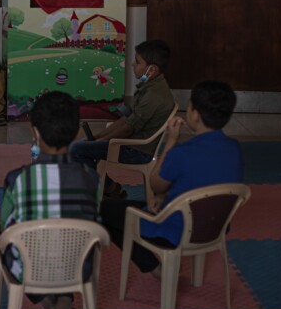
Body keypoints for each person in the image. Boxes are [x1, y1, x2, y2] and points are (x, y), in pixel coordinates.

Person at [100, 80, 244, 276]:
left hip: (176, 228)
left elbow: (155, 184)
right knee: (139, 205)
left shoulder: (183, 152)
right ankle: (155, 267)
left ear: (195, 114)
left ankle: (153, 266)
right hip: (215, 226)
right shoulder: (234, 148)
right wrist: (163, 197)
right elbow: (201, 182)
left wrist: (170, 141)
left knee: (104, 209)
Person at [0, 91, 99, 309]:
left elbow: (6, 229)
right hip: (77, 267)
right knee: (64, 239)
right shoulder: (90, 178)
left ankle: (46, 298)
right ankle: (64, 298)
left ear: (35, 133)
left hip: (30, 268)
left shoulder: (17, 179)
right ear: (76, 134)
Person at [70, 39, 175, 198]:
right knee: (86, 145)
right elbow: (127, 120)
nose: (133, 64)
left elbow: (127, 128)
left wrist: (103, 141)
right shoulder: (150, 87)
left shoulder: (154, 96)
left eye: (138, 62)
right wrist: (98, 138)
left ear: (151, 70)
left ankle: (100, 189)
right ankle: (107, 187)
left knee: (76, 150)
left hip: (137, 151)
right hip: (132, 142)